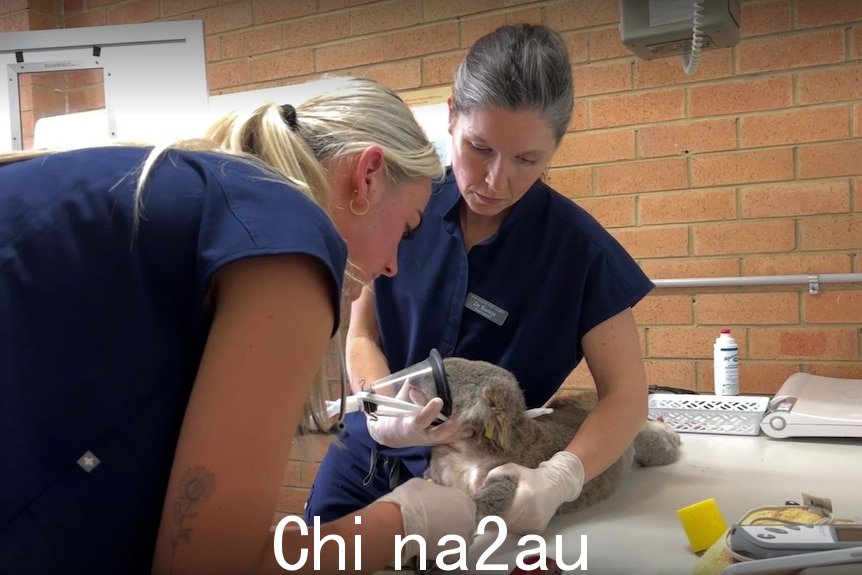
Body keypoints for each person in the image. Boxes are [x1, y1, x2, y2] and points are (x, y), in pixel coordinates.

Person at [0, 77, 477, 575]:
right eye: (407, 228)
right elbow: (207, 565)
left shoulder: (201, 190)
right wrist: (406, 521)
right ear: (368, 176)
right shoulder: (289, 237)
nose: (394, 265)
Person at [306, 24, 655, 536]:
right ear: (451, 116)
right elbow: (362, 335)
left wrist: (563, 475)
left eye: (526, 159)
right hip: (368, 455)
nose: (497, 180)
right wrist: (381, 404)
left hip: (478, 480)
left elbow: (627, 397)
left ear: (556, 146)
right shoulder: (402, 205)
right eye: (479, 148)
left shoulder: (580, 253)